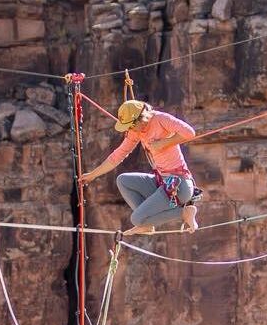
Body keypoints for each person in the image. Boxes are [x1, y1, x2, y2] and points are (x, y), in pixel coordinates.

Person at [79, 100, 201, 235]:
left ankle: (184, 213)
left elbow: (190, 132)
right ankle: (147, 225)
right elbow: (117, 156)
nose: (129, 129)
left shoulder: (161, 119)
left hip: (178, 184)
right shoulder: (136, 131)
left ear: (140, 119)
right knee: (123, 180)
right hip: (162, 182)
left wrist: (163, 143)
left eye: (130, 125)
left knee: (135, 218)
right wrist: (92, 175)